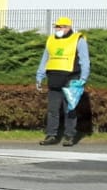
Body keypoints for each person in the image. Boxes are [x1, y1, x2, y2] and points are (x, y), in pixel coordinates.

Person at [36, 16, 90, 147]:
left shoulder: (79, 40)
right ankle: (51, 135)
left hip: (71, 79)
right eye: (57, 27)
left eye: (61, 27)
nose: (58, 29)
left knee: (69, 109)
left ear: (68, 27)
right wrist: (39, 75)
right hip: (54, 78)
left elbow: (84, 60)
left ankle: (69, 136)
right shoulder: (51, 40)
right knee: (52, 109)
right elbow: (46, 58)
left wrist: (83, 78)